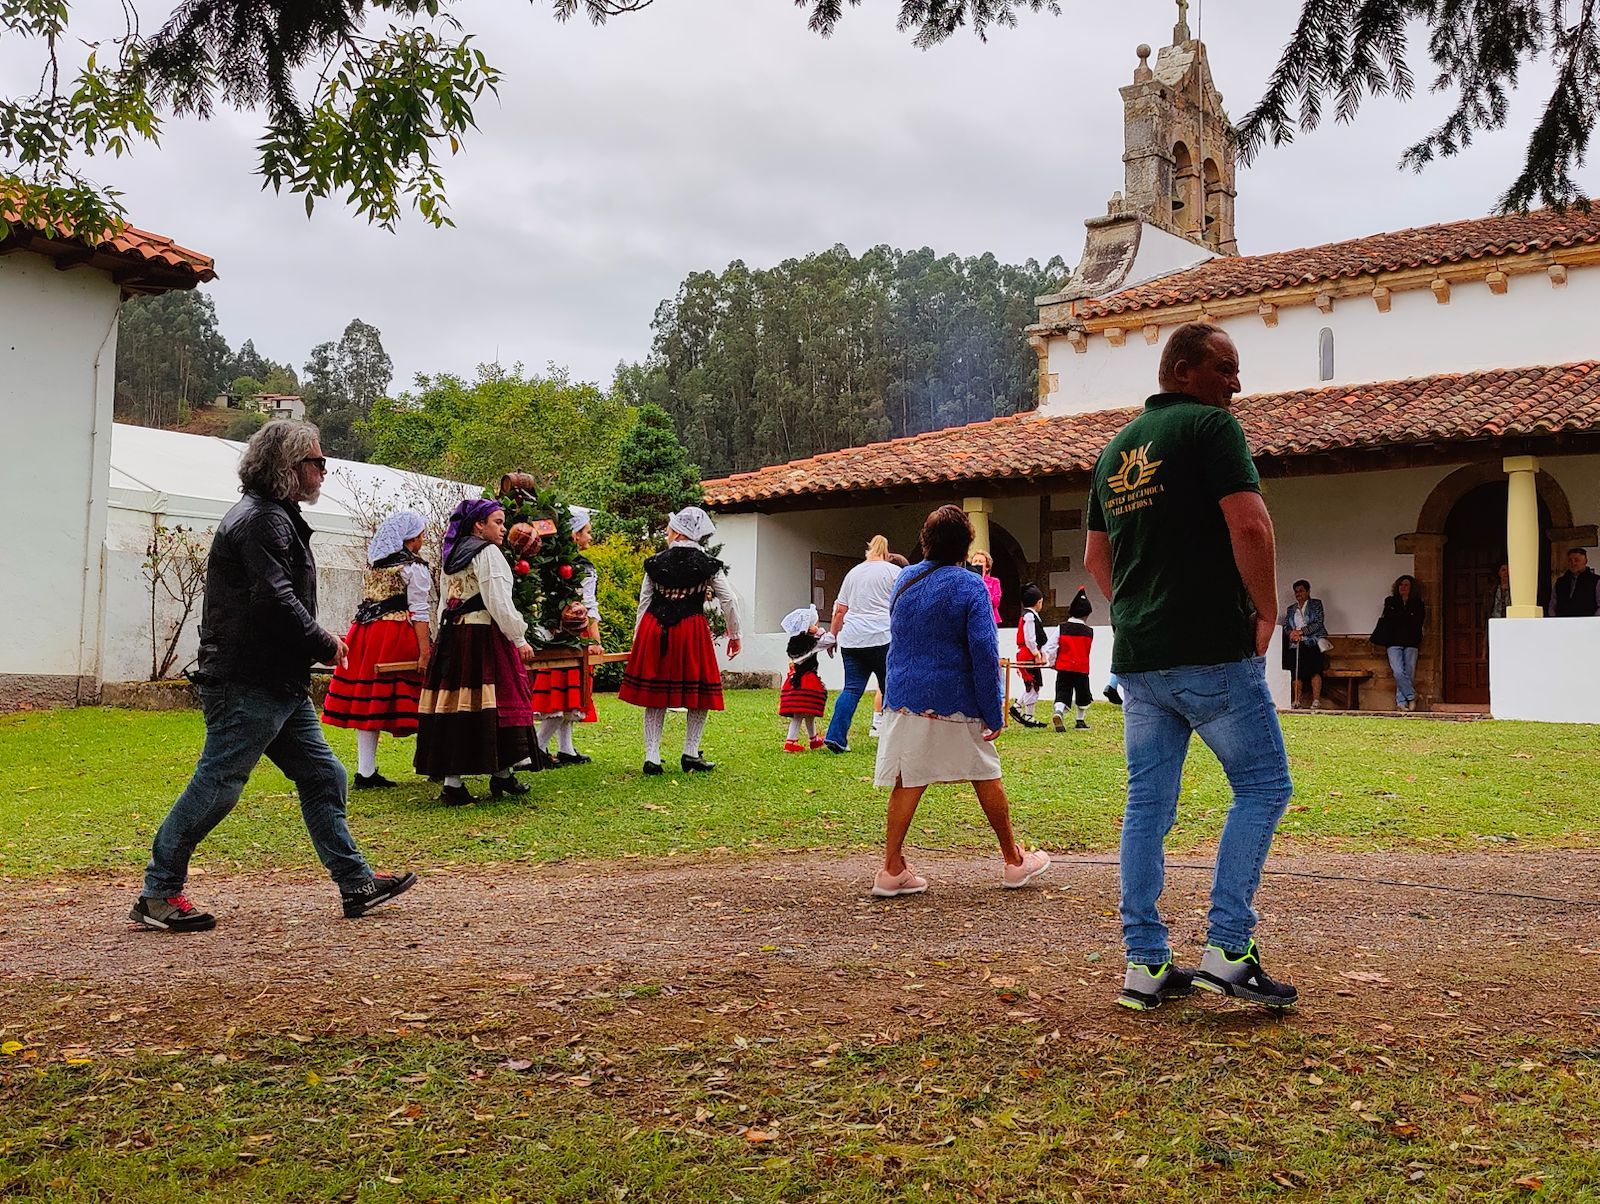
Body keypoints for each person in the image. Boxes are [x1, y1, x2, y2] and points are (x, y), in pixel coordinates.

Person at [1085, 321, 1296, 1011]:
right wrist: (1266, 609)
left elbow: (1095, 559)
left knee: (1146, 804)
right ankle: (1228, 949)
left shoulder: (1114, 451)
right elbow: (1251, 524)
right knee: (1263, 785)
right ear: (1182, 370)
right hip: (1210, 647)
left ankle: (1145, 964)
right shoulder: (1211, 428)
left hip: (1141, 659)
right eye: (1224, 367)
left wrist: (1140, 611)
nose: (1236, 382)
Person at [131, 420, 416, 932]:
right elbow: (274, 600)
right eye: (317, 461)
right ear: (289, 467)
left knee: (323, 775)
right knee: (219, 784)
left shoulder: (272, 516)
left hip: (273, 680)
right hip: (248, 680)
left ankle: (356, 883)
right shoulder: (263, 520)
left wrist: (311, 640)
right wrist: (322, 641)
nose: (324, 470)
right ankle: (158, 893)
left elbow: (276, 598)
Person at [871, 505, 1050, 898]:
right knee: (985, 772)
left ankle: (891, 868)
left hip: (904, 695)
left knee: (907, 779)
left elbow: (899, 638)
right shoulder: (970, 586)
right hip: (953, 698)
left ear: (925, 541)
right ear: (966, 544)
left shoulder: (904, 580)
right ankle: (1014, 860)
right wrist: (993, 709)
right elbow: (984, 652)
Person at [414, 499, 543, 804]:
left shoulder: (452, 554)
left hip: (454, 636)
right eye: (497, 522)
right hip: (482, 636)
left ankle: (474, 779)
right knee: (496, 700)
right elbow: (498, 600)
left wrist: (442, 638)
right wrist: (519, 637)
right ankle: (483, 778)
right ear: (479, 525)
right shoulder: (487, 553)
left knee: (456, 704)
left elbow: (445, 602)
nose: (503, 528)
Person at [619, 506, 741, 775]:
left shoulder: (655, 562)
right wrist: (735, 634)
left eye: (670, 528)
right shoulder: (708, 564)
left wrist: (638, 637)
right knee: (699, 692)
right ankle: (690, 752)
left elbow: (644, 602)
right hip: (690, 629)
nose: (667, 532)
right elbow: (729, 599)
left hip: (654, 627)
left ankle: (652, 756)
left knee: (656, 693)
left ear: (678, 532)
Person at [322, 509, 433, 787]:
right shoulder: (413, 568)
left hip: (364, 633)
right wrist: (425, 651)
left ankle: (366, 770)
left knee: (370, 699)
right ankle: (434, 764)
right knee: (422, 695)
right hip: (395, 635)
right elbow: (419, 611)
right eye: (421, 535)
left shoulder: (374, 565)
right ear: (412, 538)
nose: (423, 540)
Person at [530, 505, 603, 766]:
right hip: (573, 632)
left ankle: (566, 748)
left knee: (567, 694)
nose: (590, 537)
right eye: (587, 531)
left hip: (552, 631)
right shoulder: (582, 568)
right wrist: (594, 640)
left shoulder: (549, 564)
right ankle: (537, 747)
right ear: (574, 535)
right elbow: (588, 605)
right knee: (562, 693)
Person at [823, 535, 902, 753]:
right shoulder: (894, 572)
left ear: (868, 550)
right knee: (890, 689)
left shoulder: (853, 573)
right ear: (887, 553)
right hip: (883, 637)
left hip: (853, 639)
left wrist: (832, 636)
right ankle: (893, 737)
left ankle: (836, 736)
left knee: (851, 688)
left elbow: (840, 610)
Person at [778, 605, 830, 751]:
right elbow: (828, 640)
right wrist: (819, 632)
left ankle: (814, 739)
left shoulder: (794, 643)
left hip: (795, 679)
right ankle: (791, 741)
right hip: (806, 681)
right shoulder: (812, 643)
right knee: (800, 712)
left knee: (807, 711)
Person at [1042, 587, 1095, 731]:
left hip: (1064, 667)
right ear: (1086, 615)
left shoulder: (1062, 628)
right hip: (1082, 668)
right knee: (1083, 694)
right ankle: (1080, 721)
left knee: (1063, 691)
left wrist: (1052, 662)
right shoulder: (1089, 631)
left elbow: (1050, 646)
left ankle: (1059, 712)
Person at [1371, 575, 1425, 711]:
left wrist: (1403, 617)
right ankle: (1411, 696)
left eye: (1406, 585)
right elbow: (1391, 618)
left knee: (1409, 672)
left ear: (1412, 588)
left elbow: (1417, 621)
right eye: (1401, 585)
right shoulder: (1391, 601)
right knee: (1398, 671)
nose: (1403, 587)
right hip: (1393, 641)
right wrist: (1405, 616)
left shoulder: (1417, 603)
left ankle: (1401, 702)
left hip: (1411, 641)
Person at [1281, 579, 1329, 709]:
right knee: (1296, 672)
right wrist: (1292, 633)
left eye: (1301, 591)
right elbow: (1286, 625)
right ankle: (1297, 701)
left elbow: (1318, 622)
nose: (1298, 594)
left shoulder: (1316, 604)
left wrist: (1301, 632)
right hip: (1296, 643)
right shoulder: (1291, 609)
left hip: (1312, 641)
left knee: (1315, 670)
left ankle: (1316, 701)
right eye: (1296, 591)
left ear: (1308, 591)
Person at [1008, 584, 1049, 728]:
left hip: (1027, 653)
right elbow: (1030, 638)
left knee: (1033, 685)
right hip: (1028, 655)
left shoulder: (1030, 615)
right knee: (1032, 684)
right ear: (1038, 602)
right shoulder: (1029, 616)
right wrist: (1036, 653)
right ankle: (1019, 708)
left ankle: (1024, 712)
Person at [1551, 547, 1600, 617]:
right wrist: (1554, 620)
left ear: (1585, 561)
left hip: (1587, 622)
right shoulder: (1560, 582)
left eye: (1577, 560)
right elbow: (1552, 605)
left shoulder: (1596, 580)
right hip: (1562, 622)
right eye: (1570, 561)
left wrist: (1592, 621)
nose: (1573, 563)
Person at [967, 548, 1003, 625]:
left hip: (990, 619)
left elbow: (995, 602)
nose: (977, 564)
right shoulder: (967, 582)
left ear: (987, 567)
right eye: (975, 561)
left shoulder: (994, 581)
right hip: (972, 619)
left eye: (980, 561)